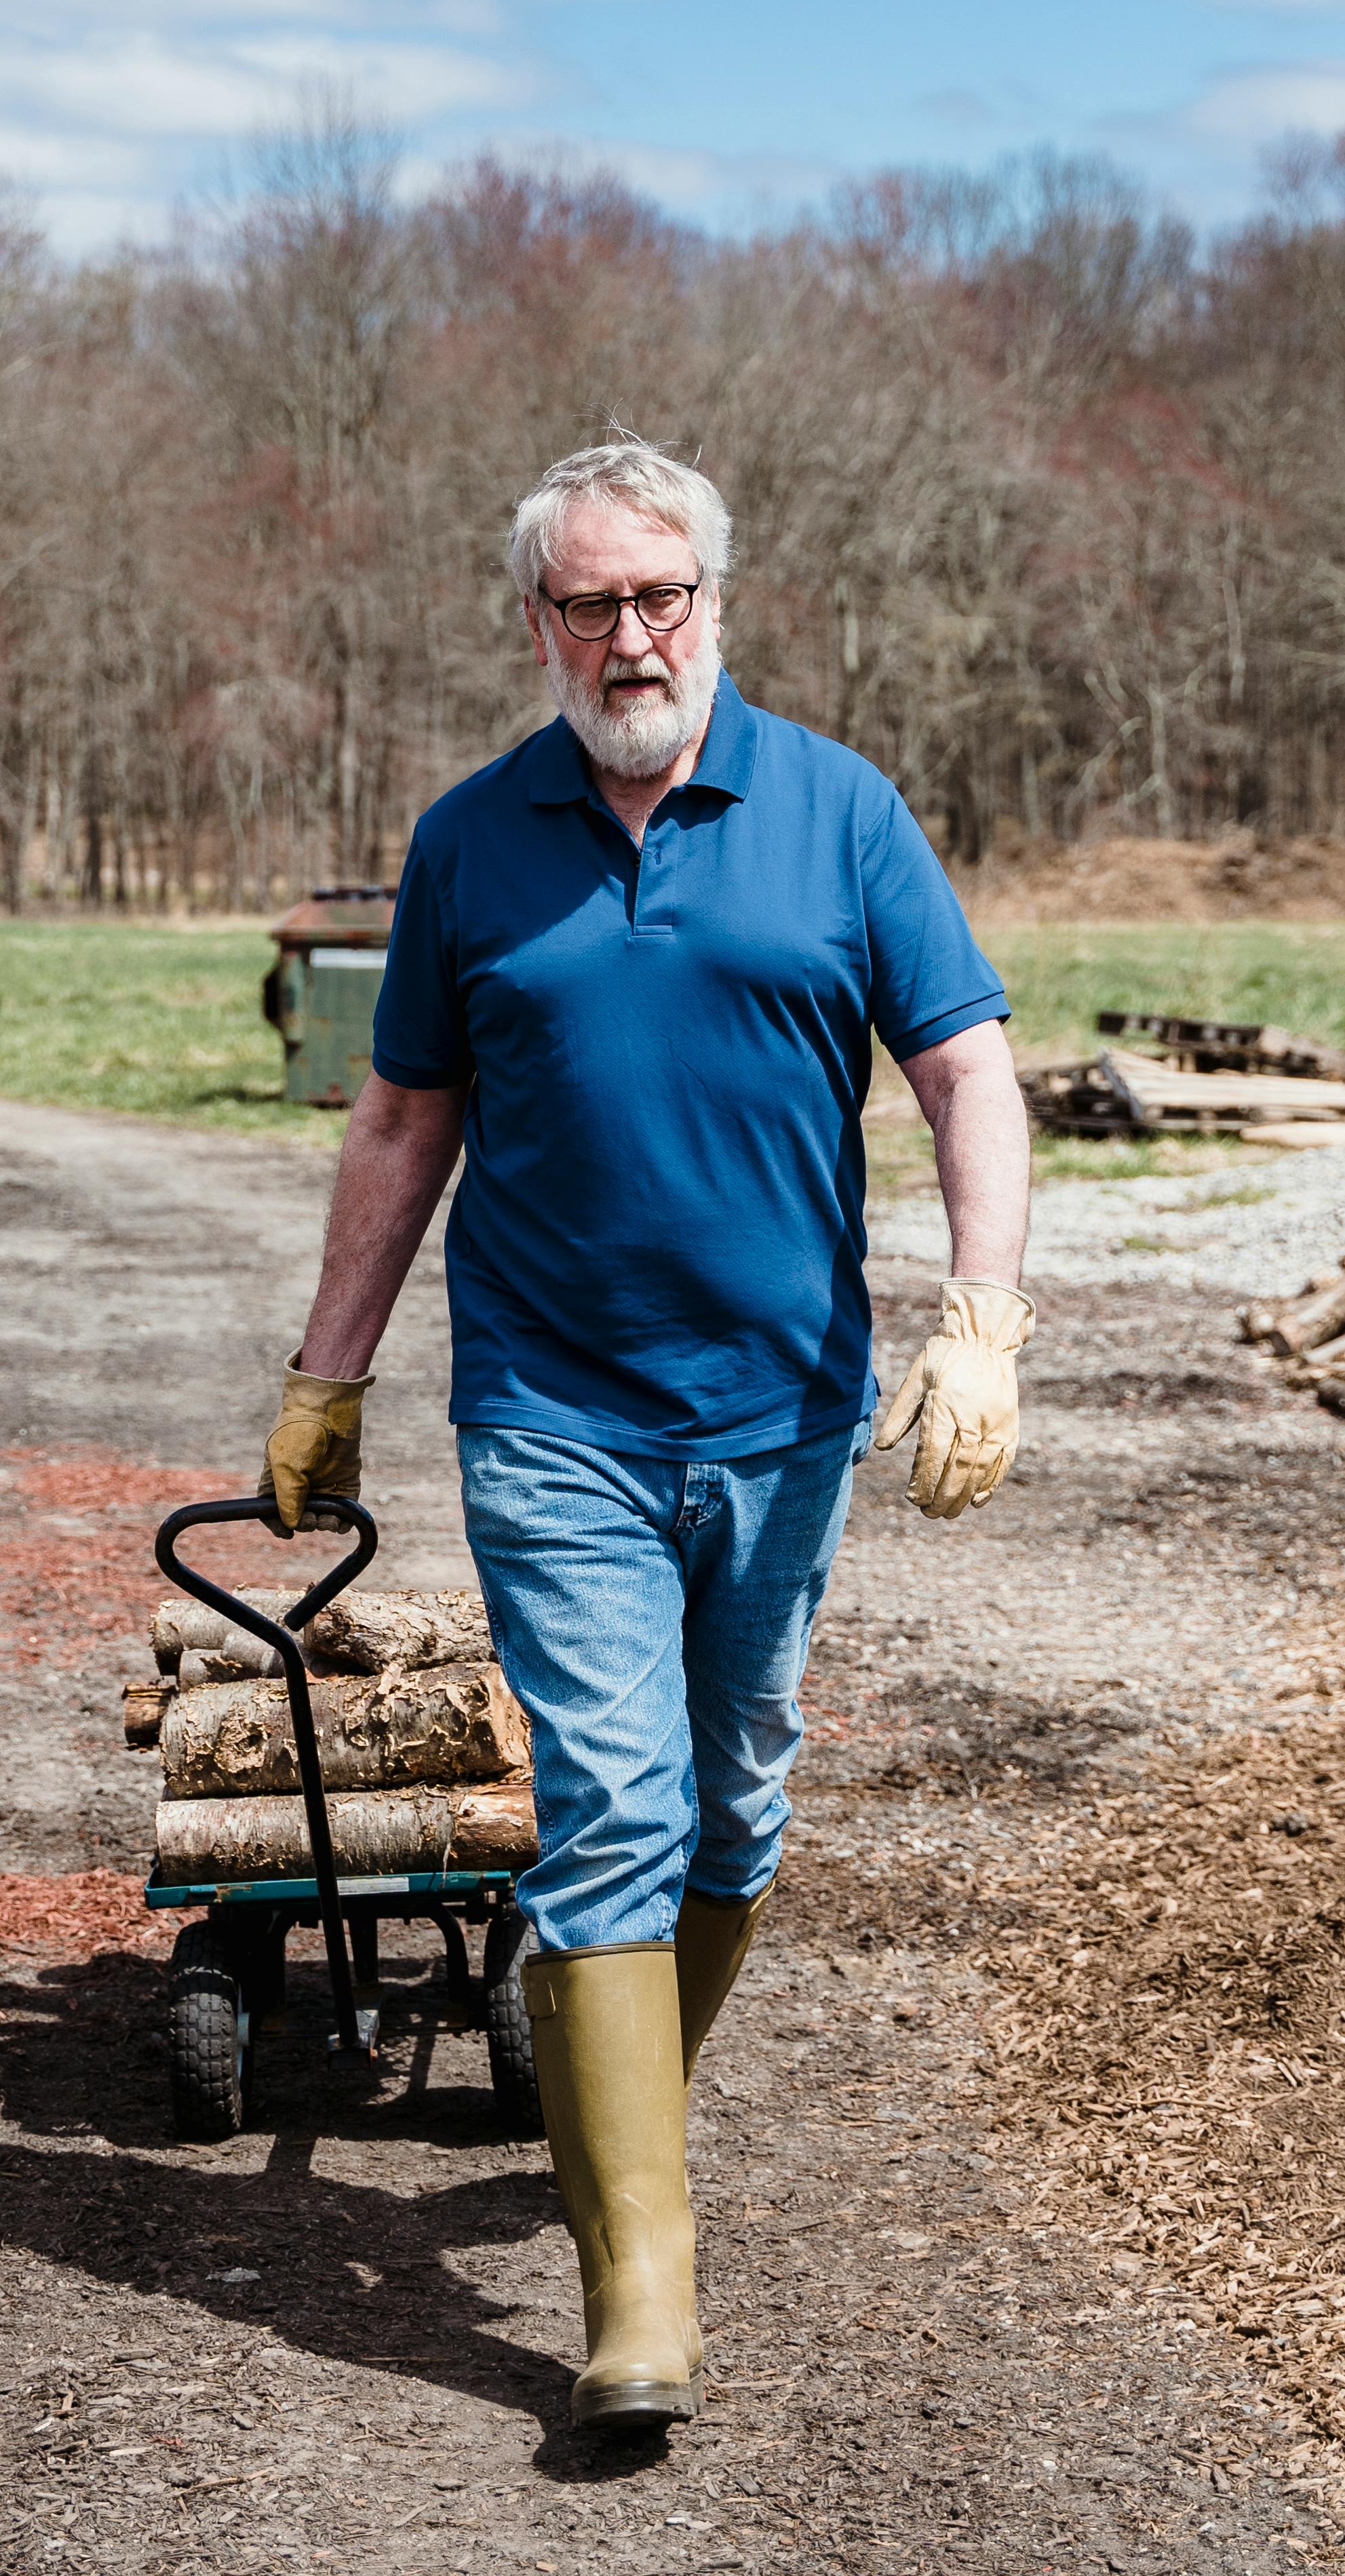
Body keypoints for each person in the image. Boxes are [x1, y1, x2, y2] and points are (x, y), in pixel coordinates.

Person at [256, 440, 1033, 2432]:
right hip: (552, 1410)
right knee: (617, 1802)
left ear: (715, 602)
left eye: (659, 596)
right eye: (589, 603)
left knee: (739, 1791)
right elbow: (404, 1121)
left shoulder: (840, 812)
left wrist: (988, 1316)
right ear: (538, 623)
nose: (629, 635)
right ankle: (639, 2296)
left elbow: (966, 1070)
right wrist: (326, 1377)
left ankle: (612, 2109)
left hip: (783, 1412)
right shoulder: (470, 844)